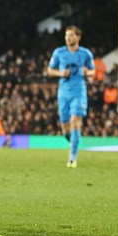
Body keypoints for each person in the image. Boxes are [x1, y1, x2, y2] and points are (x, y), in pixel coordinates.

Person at [47, 25, 95, 168]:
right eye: (66, 36)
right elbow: (50, 70)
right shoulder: (59, 52)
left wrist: (87, 72)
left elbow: (93, 72)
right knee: (66, 128)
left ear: (78, 37)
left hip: (79, 92)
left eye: (71, 35)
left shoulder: (86, 54)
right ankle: (74, 142)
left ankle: (72, 158)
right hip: (63, 93)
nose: (68, 38)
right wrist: (60, 73)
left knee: (76, 122)